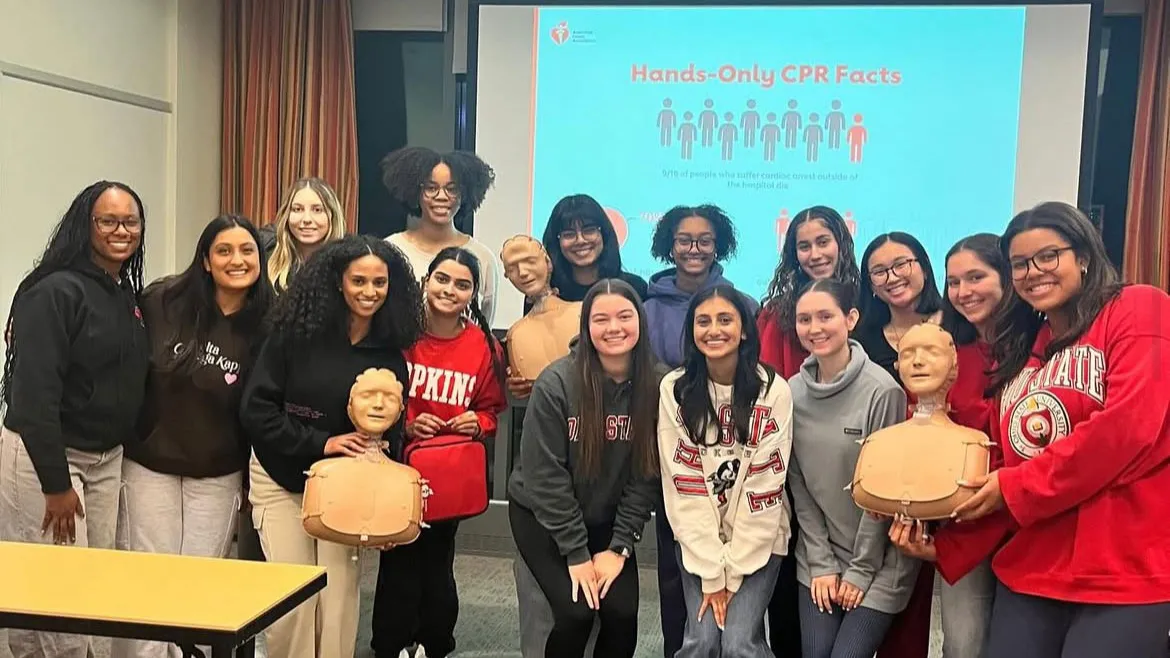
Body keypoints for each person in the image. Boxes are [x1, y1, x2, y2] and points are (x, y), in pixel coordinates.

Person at [910, 202, 1170, 657]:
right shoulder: (1023, 347)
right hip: (1030, 570)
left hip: (1121, 572)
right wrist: (934, 530)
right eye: (1019, 264)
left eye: (1048, 256)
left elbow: (1128, 430)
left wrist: (1016, 484)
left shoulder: (1138, 306)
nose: (1033, 272)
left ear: (1083, 256)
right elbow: (1003, 465)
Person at [239, 235, 425, 658]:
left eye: (380, 283)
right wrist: (322, 443)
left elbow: (389, 435)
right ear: (338, 281)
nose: (369, 292)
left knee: (339, 602)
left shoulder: (390, 354)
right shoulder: (293, 334)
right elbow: (256, 411)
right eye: (358, 280)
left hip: (348, 491)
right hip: (281, 479)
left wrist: (387, 507)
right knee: (292, 606)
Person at [0, 181, 151, 658]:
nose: (121, 230)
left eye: (130, 221)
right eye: (108, 221)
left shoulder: (122, 291)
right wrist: (55, 483)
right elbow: (32, 394)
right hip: (47, 459)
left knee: (89, 589)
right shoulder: (54, 291)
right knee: (57, 593)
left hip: (105, 460)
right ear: (84, 226)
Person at [116, 215, 272, 658]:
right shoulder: (161, 301)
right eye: (224, 251)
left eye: (247, 251)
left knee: (201, 582)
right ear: (205, 260)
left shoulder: (271, 321)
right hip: (150, 464)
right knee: (151, 577)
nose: (236, 260)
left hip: (218, 472)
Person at [508, 279, 664, 658]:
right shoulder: (557, 383)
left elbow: (647, 476)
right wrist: (577, 554)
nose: (614, 328)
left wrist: (619, 546)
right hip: (542, 516)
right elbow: (546, 477)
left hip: (609, 518)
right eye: (601, 319)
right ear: (586, 326)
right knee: (576, 613)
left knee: (622, 612)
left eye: (625, 316)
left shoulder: (659, 384)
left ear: (640, 321)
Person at [371, 247, 507, 658]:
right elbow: (371, 396)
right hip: (397, 467)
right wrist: (406, 425)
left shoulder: (485, 347)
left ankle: (436, 643)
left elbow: (492, 411)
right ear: (425, 281)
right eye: (442, 279)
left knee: (438, 561)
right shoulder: (399, 337)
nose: (450, 290)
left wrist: (478, 423)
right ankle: (391, 644)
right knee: (397, 559)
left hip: (449, 475)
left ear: (474, 293)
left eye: (462, 284)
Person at [641, 203, 756, 657]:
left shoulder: (743, 304)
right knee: (676, 568)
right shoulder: (647, 309)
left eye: (704, 240)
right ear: (669, 244)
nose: (694, 248)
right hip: (670, 452)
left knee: (743, 568)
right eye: (684, 240)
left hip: (734, 458)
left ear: (718, 245)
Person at [888, 233, 1008, 658]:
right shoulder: (949, 354)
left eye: (976, 277)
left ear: (1007, 275)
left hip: (1031, 525)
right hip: (967, 529)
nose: (963, 292)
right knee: (963, 645)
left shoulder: (1043, 349)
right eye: (954, 282)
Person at [658, 285, 794, 657]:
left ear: (745, 329)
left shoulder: (773, 391)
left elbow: (765, 489)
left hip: (759, 538)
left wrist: (731, 573)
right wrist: (712, 571)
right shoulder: (675, 389)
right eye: (703, 321)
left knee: (739, 643)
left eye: (725, 320)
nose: (713, 330)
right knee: (701, 641)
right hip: (699, 539)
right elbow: (684, 487)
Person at [786, 279, 916, 658]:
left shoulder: (883, 391)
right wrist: (821, 563)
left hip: (878, 561)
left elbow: (884, 491)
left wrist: (860, 571)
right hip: (819, 556)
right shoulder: (790, 392)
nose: (815, 328)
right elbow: (800, 487)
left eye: (826, 316)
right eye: (804, 319)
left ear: (851, 318)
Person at [756, 205, 860, 657]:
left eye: (824, 241)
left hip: (854, 474)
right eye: (804, 245)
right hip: (792, 474)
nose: (815, 253)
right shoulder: (777, 315)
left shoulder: (864, 305)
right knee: (789, 607)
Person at [854, 232, 942, 658]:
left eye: (902, 264)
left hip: (939, 485)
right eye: (880, 271)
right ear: (869, 284)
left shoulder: (955, 325)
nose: (893, 277)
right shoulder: (863, 339)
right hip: (876, 484)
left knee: (916, 607)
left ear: (922, 266)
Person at [380, 146, 502, 326]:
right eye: (431, 188)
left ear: (465, 194)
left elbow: (484, 327)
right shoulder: (391, 249)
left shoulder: (482, 258)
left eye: (452, 189)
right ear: (416, 192)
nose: (442, 196)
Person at [539, 194, 648, 307]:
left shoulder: (634, 288)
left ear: (604, 233)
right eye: (569, 234)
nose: (580, 240)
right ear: (557, 242)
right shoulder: (544, 294)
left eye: (589, 230)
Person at [260, 177, 348, 293]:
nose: (306, 219)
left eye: (317, 210)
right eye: (298, 209)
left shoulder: (348, 261)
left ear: (332, 215)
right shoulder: (266, 254)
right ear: (287, 215)